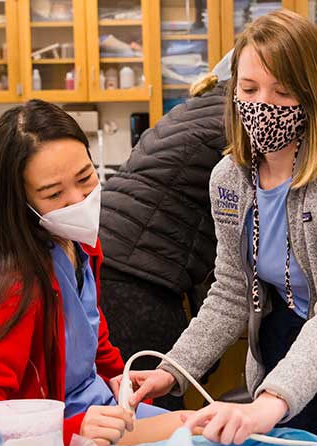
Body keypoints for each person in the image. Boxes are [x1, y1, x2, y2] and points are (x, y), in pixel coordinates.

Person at [111, 10, 317, 446]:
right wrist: (173, 369)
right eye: (249, 90)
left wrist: (270, 400)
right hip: (284, 359)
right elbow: (229, 292)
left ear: (314, 96)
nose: (263, 104)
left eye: (283, 92)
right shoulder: (230, 178)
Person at [0, 99, 191, 446]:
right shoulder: (11, 281)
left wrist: (117, 377)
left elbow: (88, 328)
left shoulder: (78, 242)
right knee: (200, 432)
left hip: (97, 412)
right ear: (18, 202)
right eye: (54, 194)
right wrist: (71, 432)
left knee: (205, 429)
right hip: (54, 442)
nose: (78, 200)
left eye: (86, 178)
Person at [97, 54, 231, 410]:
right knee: (150, 414)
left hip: (105, 257)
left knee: (126, 403)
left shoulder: (187, 111)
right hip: (140, 276)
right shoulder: (232, 124)